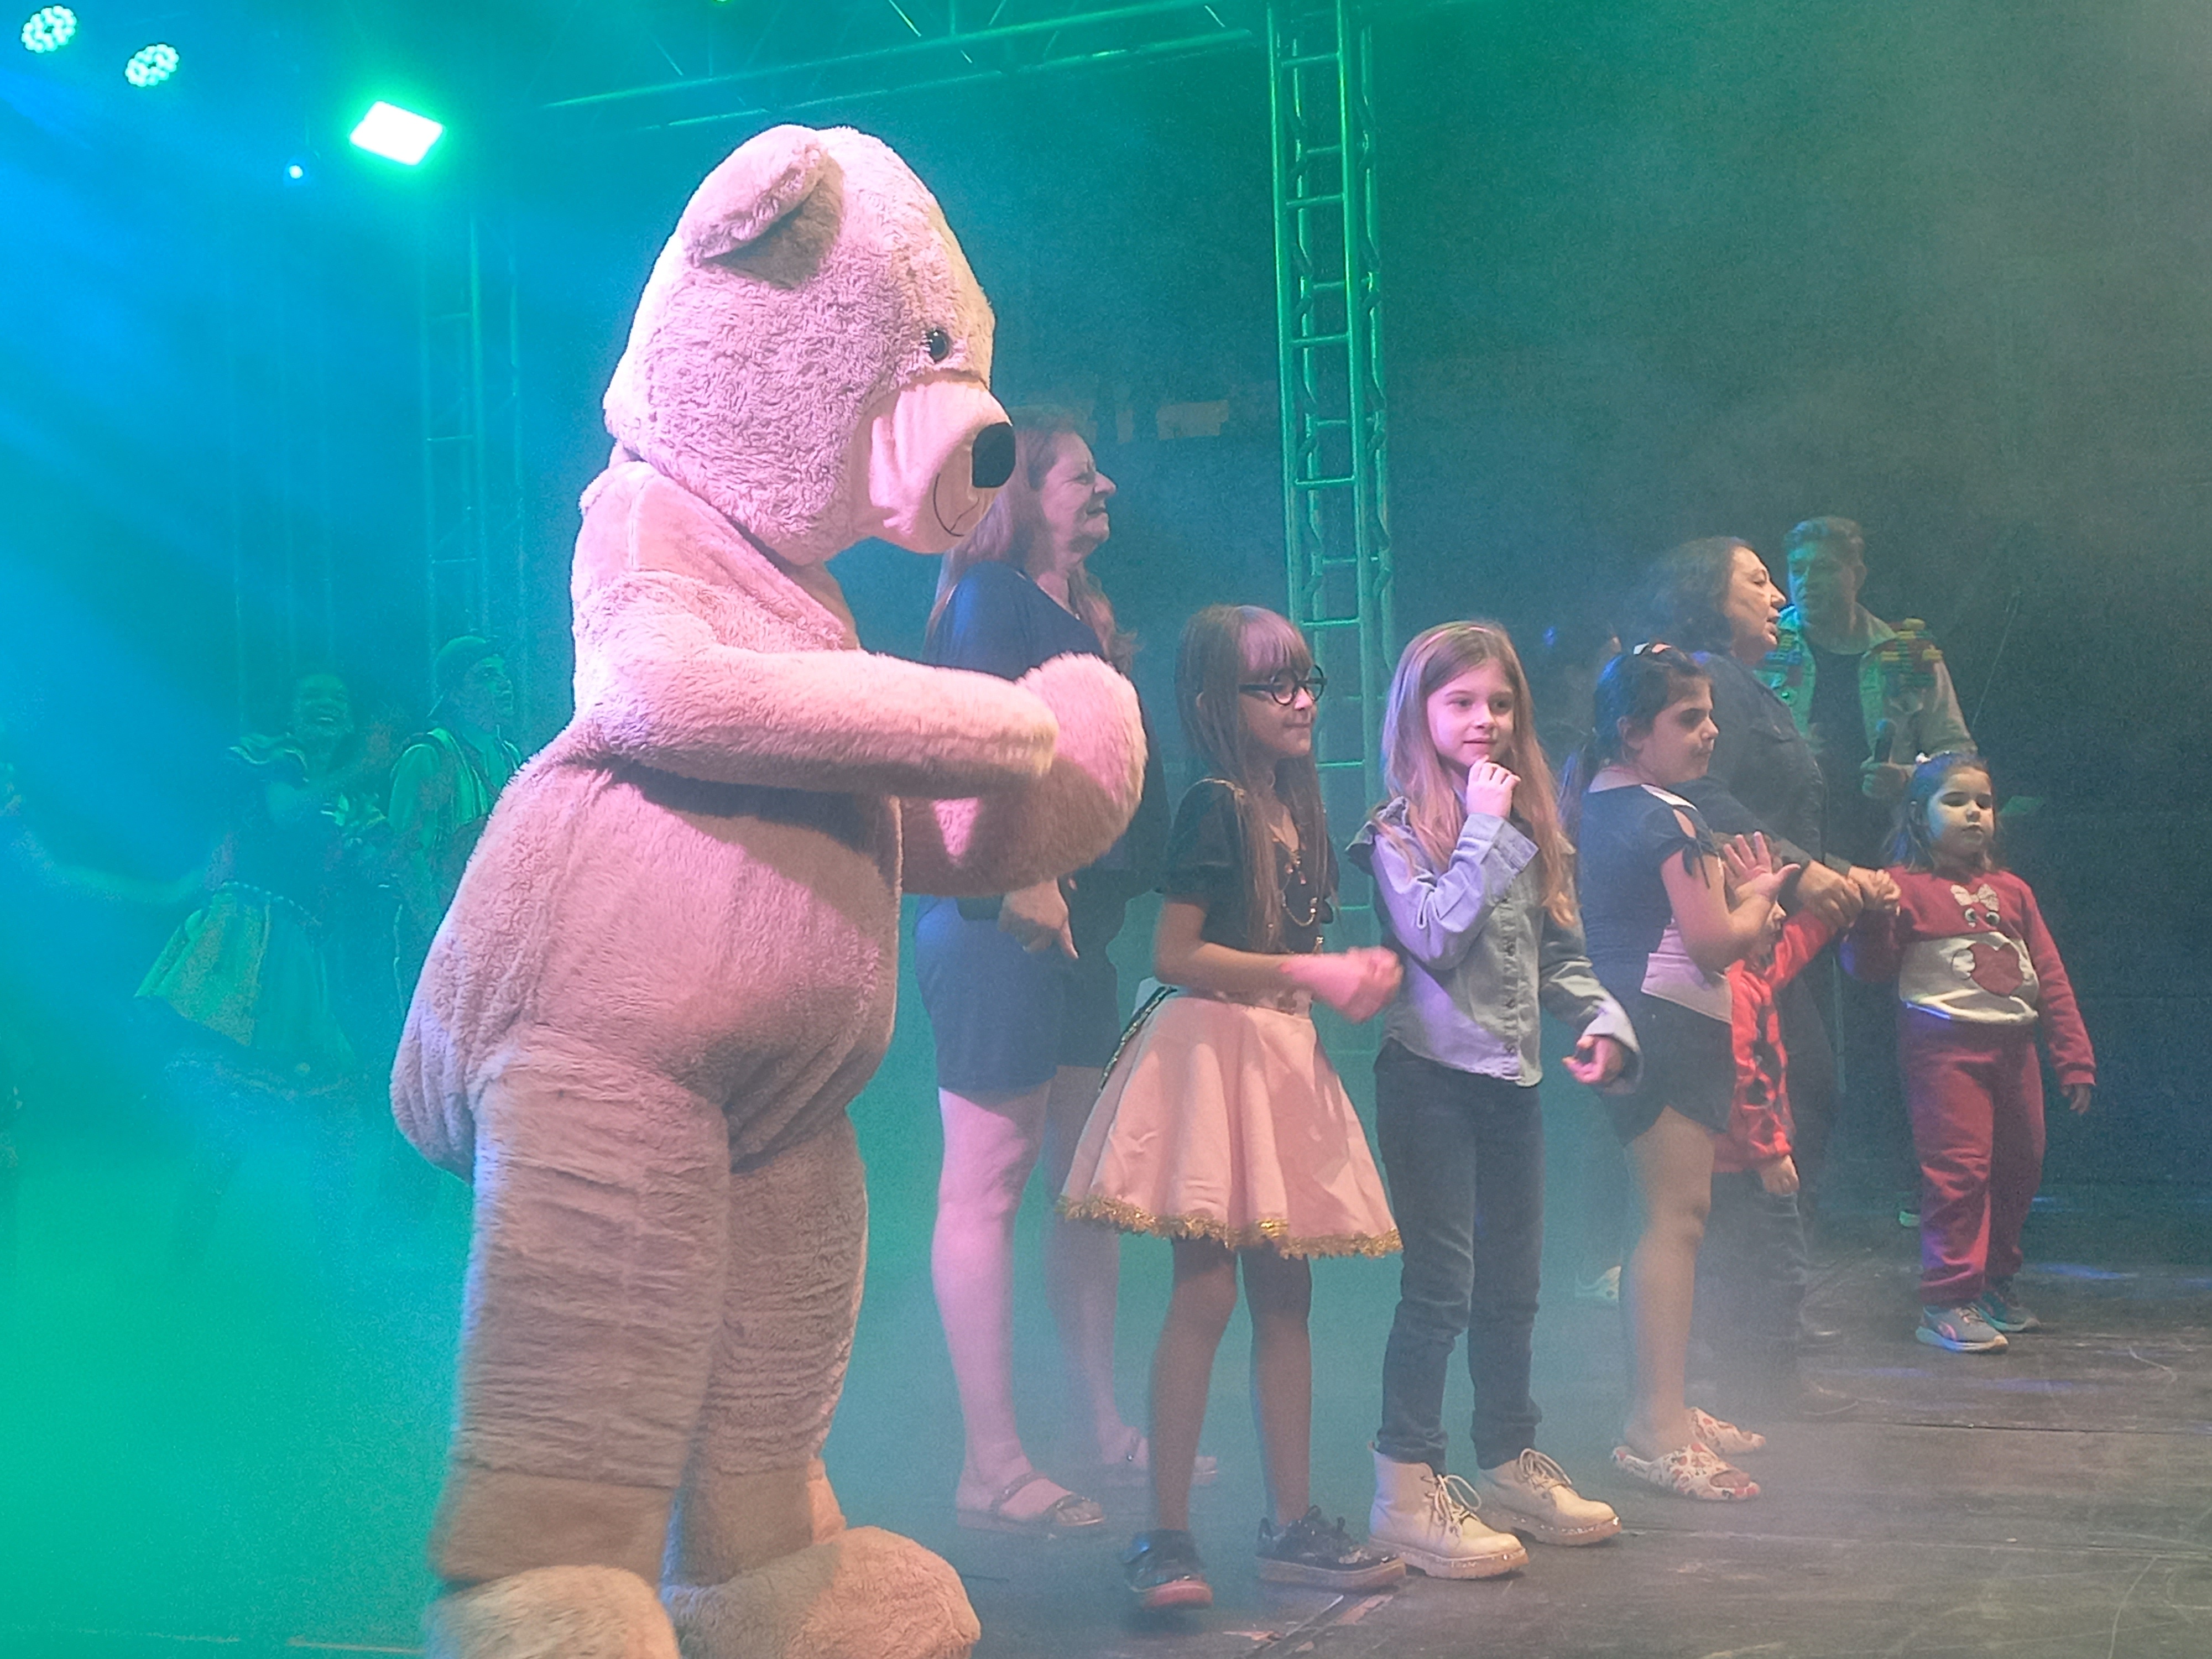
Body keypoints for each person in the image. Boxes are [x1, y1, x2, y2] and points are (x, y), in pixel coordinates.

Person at [1061, 604, 1405, 1610]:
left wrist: (1346, 979)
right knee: (1206, 1291)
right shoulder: (1216, 804)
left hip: (1277, 1053)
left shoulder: (1298, 808)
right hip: (1215, 1051)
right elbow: (1175, 952)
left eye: (1306, 681)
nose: (1300, 701)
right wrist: (1307, 972)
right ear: (1218, 701)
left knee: (1287, 1294)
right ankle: (1164, 1535)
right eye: (1274, 685)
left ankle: (1291, 1525)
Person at [914, 416, 1170, 1537]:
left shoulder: (1082, 621)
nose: (1103, 485)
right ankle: (990, 1462)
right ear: (1022, 492)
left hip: (1079, 940)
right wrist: (1020, 876)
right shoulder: (992, 599)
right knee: (988, 1183)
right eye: (1079, 473)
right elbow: (970, 741)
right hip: (1000, 927)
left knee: (1084, 1188)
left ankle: (1097, 1426)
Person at [1350, 622, 1631, 1579]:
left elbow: (1559, 954)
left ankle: (1509, 1461)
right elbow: (1434, 936)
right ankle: (1404, 1486)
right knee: (1442, 1288)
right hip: (1430, 1082)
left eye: (1500, 704)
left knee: (1514, 1288)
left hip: (1514, 1084)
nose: (1485, 721)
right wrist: (1480, 827)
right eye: (1462, 702)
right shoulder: (1395, 832)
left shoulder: (1526, 826)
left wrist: (1601, 1019)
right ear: (1419, 712)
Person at [1561, 646, 1792, 1501]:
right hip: (1668, 1026)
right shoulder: (1671, 816)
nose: (1710, 732)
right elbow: (1711, 942)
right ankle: (1655, 1428)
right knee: (1674, 1221)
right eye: (1688, 718)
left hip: (1635, 1020)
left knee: (1657, 1220)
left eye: (1710, 715)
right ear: (1633, 732)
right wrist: (1760, 897)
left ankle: (1667, 1407)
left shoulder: (1599, 801)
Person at [1643, 537, 1886, 1214]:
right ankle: (1760, 1267)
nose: (1777, 596)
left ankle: (1769, 1268)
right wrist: (1802, 873)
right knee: (1792, 1096)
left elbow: (1764, 810)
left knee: (1800, 1093)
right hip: (1734, 932)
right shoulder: (1710, 678)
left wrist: (1842, 873)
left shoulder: (1742, 683)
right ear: (1708, 596)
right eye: (1756, 581)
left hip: (1765, 927)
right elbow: (1698, 793)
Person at [138, 670, 391, 1267]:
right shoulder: (279, 758)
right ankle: (188, 1261)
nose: (327, 705)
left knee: (327, 1110)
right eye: (313, 696)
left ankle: (328, 1265)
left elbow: (379, 868)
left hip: (300, 960)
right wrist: (365, 766)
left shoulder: (350, 802)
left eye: (338, 698)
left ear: (350, 723)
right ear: (294, 715)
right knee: (246, 1108)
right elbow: (284, 811)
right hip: (254, 945)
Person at [1761, 517, 1974, 1223]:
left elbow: (1956, 755)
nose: (1805, 583)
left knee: (1895, 1016)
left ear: (1857, 574)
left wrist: (1908, 777)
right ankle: (1797, 1181)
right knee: (1795, 1018)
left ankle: (1901, 1175)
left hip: (1887, 858)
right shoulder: (1770, 645)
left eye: (1823, 568)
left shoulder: (1906, 652)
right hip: (1796, 859)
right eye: (1796, 569)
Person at [1843, 754, 2093, 1353]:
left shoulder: (2013, 892)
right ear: (1918, 814)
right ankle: (1947, 1298)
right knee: (1959, 1171)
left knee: (2021, 1165)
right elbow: (1868, 968)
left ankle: (1993, 1283)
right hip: (1943, 1052)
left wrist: (2073, 1055)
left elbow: (2050, 977)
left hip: (2014, 1050)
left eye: (1984, 802)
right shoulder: (1901, 887)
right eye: (1955, 801)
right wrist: (1872, 917)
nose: (1974, 813)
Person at [1693, 881, 1867, 1423]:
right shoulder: (1734, 990)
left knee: (1748, 1272)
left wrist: (1836, 908)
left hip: (1740, 1162)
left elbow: (1795, 946)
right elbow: (1742, 1080)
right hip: (1746, 1166)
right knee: (1774, 1273)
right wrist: (1769, 1152)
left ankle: (1745, 1384)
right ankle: (1768, 1386)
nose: (1780, 915)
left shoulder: (1754, 975)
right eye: (1766, 906)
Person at [388, 638, 523, 989]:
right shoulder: (430, 754)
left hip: (498, 937)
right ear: (456, 694)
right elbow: (407, 857)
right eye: (486, 676)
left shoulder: (512, 758)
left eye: (504, 674)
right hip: (439, 940)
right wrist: (441, 941)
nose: (504, 683)